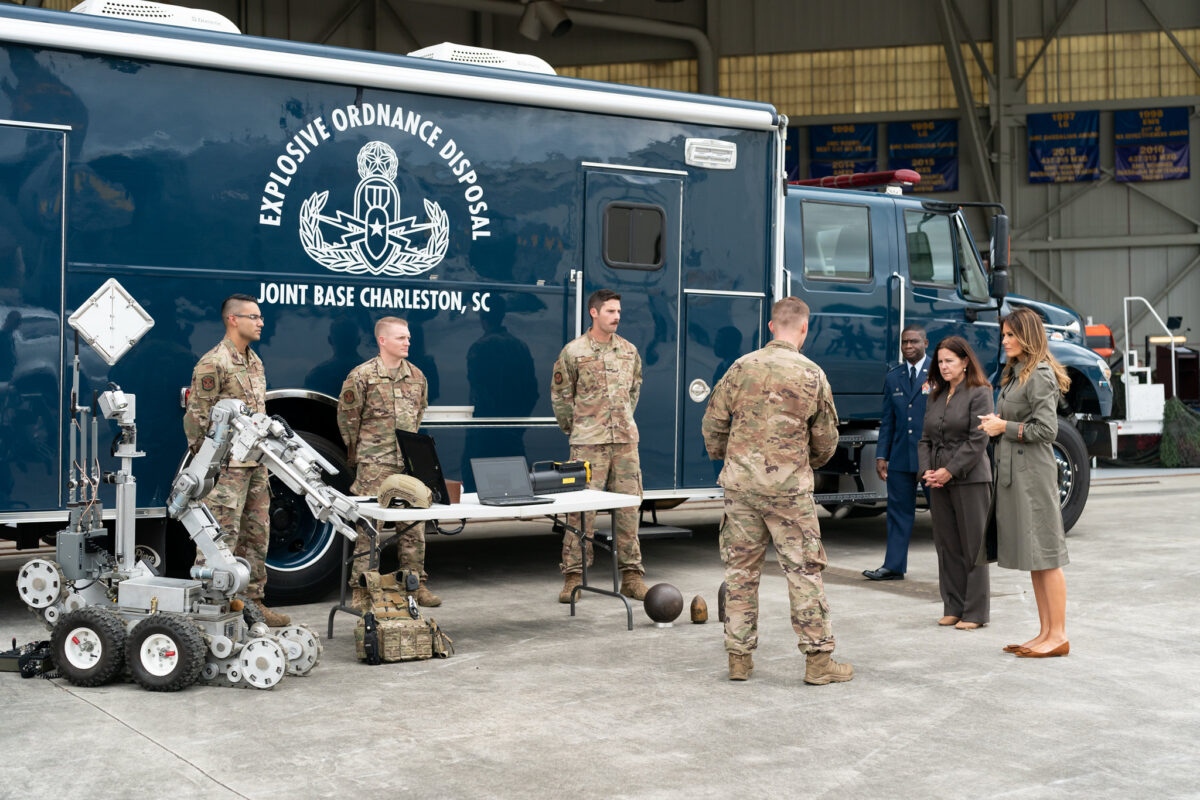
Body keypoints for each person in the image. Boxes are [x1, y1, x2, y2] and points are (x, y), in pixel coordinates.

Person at [701, 297, 850, 684]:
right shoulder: (812, 374)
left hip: (741, 488)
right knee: (803, 572)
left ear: (770, 327)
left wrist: (730, 460)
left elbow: (713, 423)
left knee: (740, 574)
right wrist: (806, 465)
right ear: (804, 328)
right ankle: (818, 662)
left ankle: (739, 659)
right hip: (789, 491)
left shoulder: (740, 367)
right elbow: (825, 438)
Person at [184, 294, 290, 627]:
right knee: (220, 538)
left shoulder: (255, 361)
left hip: (256, 463)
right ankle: (211, 609)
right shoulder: (214, 363)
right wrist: (214, 463)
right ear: (233, 319)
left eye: (260, 317)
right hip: (227, 469)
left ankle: (253, 605)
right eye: (254, 316)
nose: (261, 322)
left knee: (256, 536)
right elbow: (196, 419)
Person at [978, 307, 1072, 658]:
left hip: (1034, 474)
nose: (1005, 341)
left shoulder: (1040, 376)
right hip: (1017, 474)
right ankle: (1045, 632)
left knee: (1046, 555)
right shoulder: (1016, 375)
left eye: (1011, 335)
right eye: (1004, 335)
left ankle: (1058, 634)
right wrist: (997, 422)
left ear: (1028, 336)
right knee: (1035, 557)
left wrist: (1005, 428)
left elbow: (1047, 431)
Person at [550, 289, 648, 604]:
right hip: (587, 444)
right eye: (610, 311)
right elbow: (562, 397)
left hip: (624, 443)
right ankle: (574, 577)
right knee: (581, 512)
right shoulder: (574, 352)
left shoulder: (630, 352)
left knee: (629, 510)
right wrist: (578, 429)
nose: (616, 316)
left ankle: (631, 576)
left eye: (618, 311)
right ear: (594, 313)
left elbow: (633, 391)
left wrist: (621, 422)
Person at [337, 316, 439, 607]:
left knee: (414, 527)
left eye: (408, 337)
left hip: (406, 466)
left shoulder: (417, 377)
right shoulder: (362, 376)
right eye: (400, 338)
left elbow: (418, 416)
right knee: (369, 530)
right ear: (382, 340)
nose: (408, 342)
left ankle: (415, 584)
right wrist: (363, 455)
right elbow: (347, 422)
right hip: (374, 464)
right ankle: (361, 589)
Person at [918, 336, 993, 630]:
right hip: (938, 480)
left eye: (950, 361)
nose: (944, 366)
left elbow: (978, 440)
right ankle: (953, 605)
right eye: (940, 361)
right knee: (947, 545)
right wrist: (927, 472)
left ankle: (974, 612)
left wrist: (950, 470)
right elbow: (924, 439)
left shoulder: (980, 392)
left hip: (970, 478)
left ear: (965, 362)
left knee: (973, 546)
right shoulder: (935, 395)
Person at [864, 324, 929, 581]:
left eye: (914, 341)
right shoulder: (894, 377)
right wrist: (882, 455)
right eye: (904, 342)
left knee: (946, 516)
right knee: (898, 513)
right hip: (901, 457)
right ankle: (893, 566)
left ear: (925, 343)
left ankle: (955, 568)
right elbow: (888, 420)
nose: (908, 346)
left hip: (930, 457)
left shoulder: (938, 372)